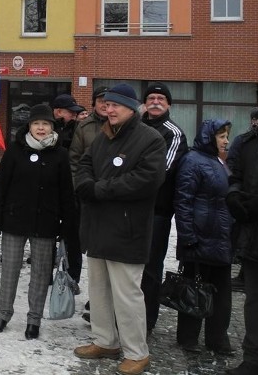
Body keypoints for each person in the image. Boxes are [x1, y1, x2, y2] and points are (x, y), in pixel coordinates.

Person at [73, 83, 166, 375]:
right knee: (98, 290)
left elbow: (147, 180)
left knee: (127, 295)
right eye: (106, 104)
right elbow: (84, 165)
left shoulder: (150, 139)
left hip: (128, 229)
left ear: (131, 108)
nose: (109, 109)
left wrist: (100, 189)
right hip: (97, 226)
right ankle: (105, 340)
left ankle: (137, 352)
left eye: (115, 105)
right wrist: (86, 185)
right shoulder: (103, 137)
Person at [0, 103, 75, 339]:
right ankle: (3, 314)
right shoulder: (15, 150)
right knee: (10, 270)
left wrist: (67, 225)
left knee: (40, 274)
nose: (41, 128)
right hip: (14, 220)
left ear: (52, 127)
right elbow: (0, 186)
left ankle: (34, 319)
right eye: (37, 123)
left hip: (45, 223)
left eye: (46, 124)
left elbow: (67, 193)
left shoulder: (60, 155)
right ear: (29, 126)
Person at [173, 118, 234, 355]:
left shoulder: (218, 162)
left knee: (221, 293)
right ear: (210, 137)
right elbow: (183, 201)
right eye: (222, 136)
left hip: (220, 238)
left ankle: (217, 339)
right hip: (200, 238)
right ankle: (188, 338)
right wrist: (188, 236)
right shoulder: (192, 161)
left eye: (227, 136)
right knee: (193, 289)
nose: (226, 141)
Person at [140, 82, 189, 335]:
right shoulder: (134, 127)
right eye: (151, 97)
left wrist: (129, 181)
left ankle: (146, 321)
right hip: (129, 209)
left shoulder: (173, 133)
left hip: (156, 212)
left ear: (169, 104)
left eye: (161, 98)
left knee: (150, 268)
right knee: (127, 266)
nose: (155, 101)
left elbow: (162, 171)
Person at [225, 105, 258, 375]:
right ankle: (254, 360)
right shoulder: (249, 142)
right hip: (254, 234)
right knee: (256, 301)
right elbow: (235, 175)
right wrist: (234, 196)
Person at [66, 86, 109, 302]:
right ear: (93, 103)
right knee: (77, 240)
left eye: (109, 101)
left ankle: (100, 297)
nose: (105, 104)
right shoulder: (84, 126)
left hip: (111, 197)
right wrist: (78, 187)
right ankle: (72, 278)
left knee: (103, 245)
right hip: (84, 193)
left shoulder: (121, 125)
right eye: (101, 100)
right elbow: (74, 160)